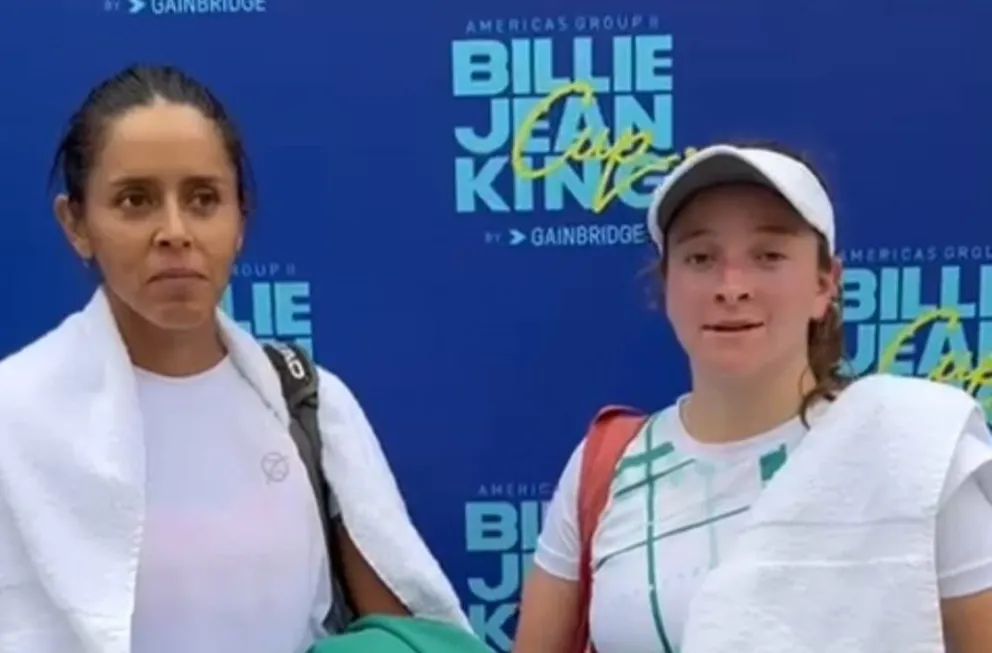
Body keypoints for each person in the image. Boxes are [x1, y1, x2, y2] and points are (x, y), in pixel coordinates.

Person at [0, 64, 469, 653]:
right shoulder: (13, 420)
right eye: (135, 200)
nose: (174, 232)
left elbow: (406, 637)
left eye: (203, 199)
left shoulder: (309, 405)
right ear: (76, 224)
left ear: (240, 219)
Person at [513, 142, 992, 652]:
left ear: (825, 285)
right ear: (666, 286)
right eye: (701, 257)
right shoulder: (606, 467)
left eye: (768, 256)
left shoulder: (915, 457)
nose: (732, 286)